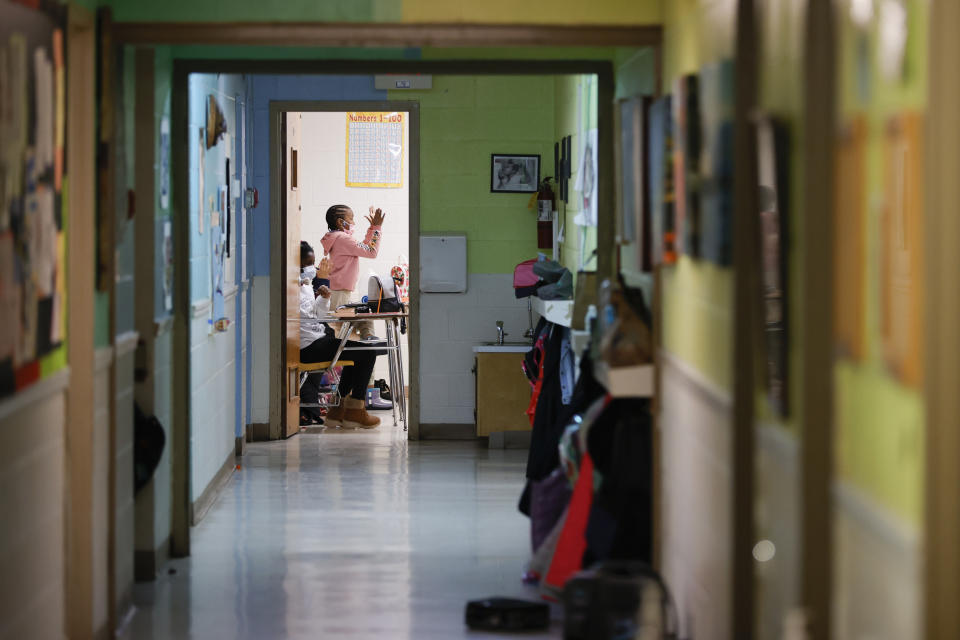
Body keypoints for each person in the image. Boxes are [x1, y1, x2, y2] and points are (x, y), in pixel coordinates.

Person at [299, 241, 380, 429]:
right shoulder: (291, 288)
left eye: (313, 263)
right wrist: (321, 283)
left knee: (357, 354)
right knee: (367, 353)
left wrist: (323, 298)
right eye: (307, 264)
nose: (313, 268)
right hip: (308, 347)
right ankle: (355, 410)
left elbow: (317, 317)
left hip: (316, 339)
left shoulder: (304, 285)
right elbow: (305, 320)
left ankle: (338, 411)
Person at [320, 204, 385, 342]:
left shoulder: (336, 237)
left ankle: (367, 336)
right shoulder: (343, 238)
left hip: (339, 291)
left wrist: (373, 228)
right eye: (351, 218)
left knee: (359, 317)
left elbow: (364, 247)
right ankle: (362, 343)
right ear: (340, 222)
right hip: (339, 292)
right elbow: (371, 251)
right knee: (339, 330)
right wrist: (377, 228)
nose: (353, 222)